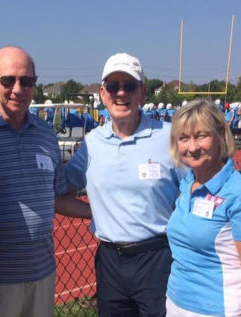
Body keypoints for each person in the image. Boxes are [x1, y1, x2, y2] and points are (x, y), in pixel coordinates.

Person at [0, 46, 91, 317]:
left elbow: (56, 198)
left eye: (27, 81)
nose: (18, 89)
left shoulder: (45, 133)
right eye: (8, 80)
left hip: (42, 275)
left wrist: (99, 211)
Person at [65, 53, 183, 317]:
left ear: (142, 93)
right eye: (113, 86)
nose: (121, 93)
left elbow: (195, 189)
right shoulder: (92, 143)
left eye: (129, 86)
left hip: (158, 257)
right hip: (110, 262)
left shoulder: (168, 136)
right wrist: (94, 211)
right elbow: (61, 194)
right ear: (103, 94)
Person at [166, 99, 241, 317]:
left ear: (221, 135)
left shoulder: (239, 192)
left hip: (218, 309)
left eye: (201, 136)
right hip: (176, 303)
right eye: (184, 138)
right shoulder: (186, 185)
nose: (192, 147)